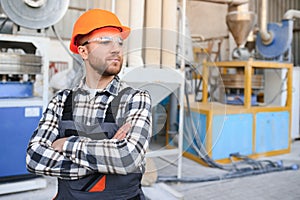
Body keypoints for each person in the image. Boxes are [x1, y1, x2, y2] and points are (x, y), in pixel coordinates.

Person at [26, 9, 152, 200]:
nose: (116, 49)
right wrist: (107, 157)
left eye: (119, 42)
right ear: (83, 51)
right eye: (105, 41)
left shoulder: (136, 99)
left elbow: (128, 157)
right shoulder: (61, 101)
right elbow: (34, 158)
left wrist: (67, 144)